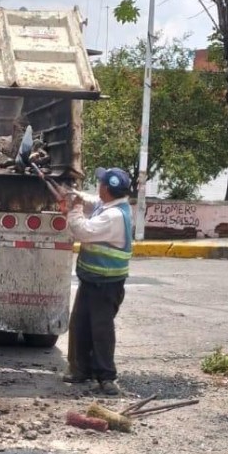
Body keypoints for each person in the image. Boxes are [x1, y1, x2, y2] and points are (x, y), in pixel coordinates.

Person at [60, 167, 133, 396]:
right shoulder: (110, 205)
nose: (98, 186)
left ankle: (106, 377)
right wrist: (75, 195)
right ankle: (80, 370)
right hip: (92, 280)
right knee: (80, 325)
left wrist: (74, 208)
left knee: (101, 331)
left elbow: (83, 231)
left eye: (101, 183)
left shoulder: (114, 216)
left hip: (106, 284)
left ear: (107, 189)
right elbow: (94, 201)